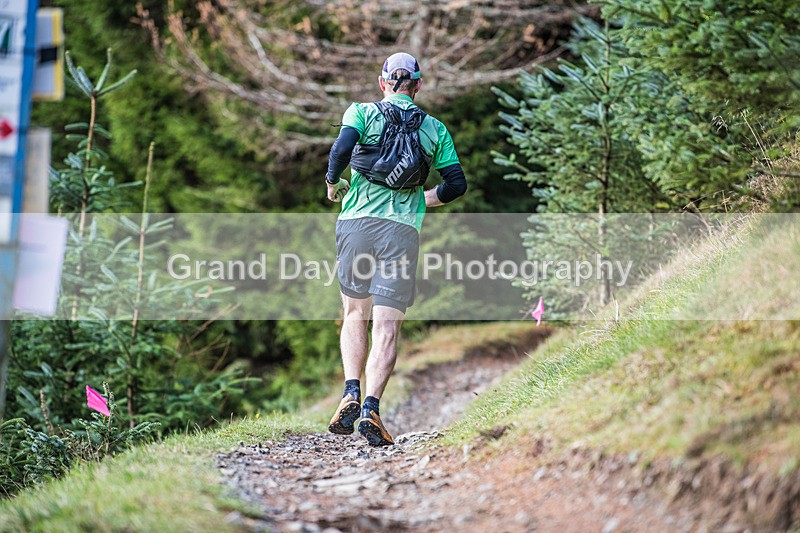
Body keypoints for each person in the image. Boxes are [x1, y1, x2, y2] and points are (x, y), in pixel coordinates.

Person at [325, 52, 468, 446]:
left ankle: (349, 392)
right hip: (401, 232)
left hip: (355, 225)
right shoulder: (435, 130)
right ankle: (371, 407)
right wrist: (422, 198)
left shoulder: (361, 112)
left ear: (382, 82)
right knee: (387, 325)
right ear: (418, 85)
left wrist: (332, 183)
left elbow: (339, 152)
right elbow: (457, 185)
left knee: (355, 312)